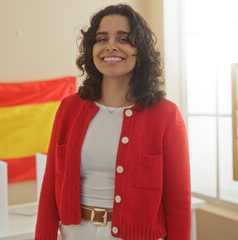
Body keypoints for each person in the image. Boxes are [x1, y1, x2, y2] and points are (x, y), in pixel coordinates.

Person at [35, 4, 190, 240]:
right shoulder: (69, 109)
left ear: (141, 51)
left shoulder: (166, 116)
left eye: (124, 38)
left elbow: (178, 202)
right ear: (92, 49)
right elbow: (49, 189)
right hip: (75, 234)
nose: (111, 46)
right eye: (102, 38)